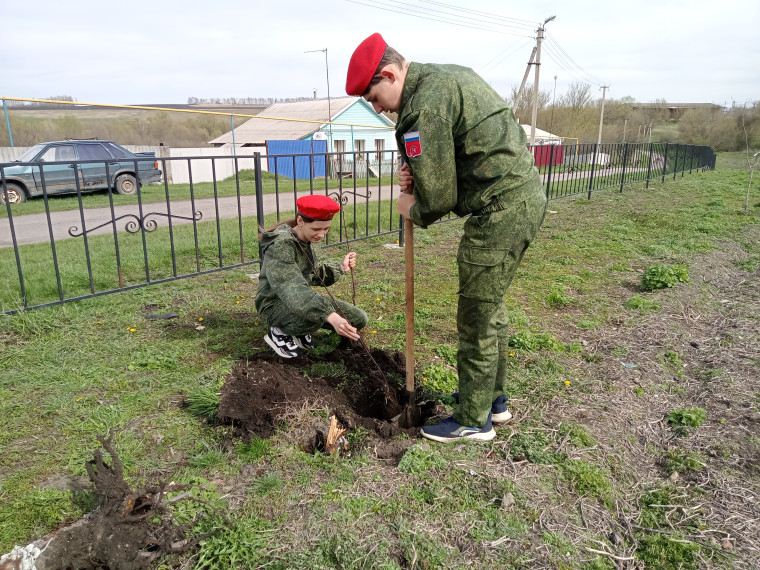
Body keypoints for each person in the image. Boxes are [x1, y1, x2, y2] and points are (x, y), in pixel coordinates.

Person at [346, 33, 547, 443]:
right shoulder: (443, 78)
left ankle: (474, 420)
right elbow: (460, 151)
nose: (377, 107)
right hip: (519, 199)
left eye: (373, 96)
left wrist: (409, 205)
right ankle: (493, 400)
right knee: (490, 308)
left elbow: (438, 200)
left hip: (501, 210)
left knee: (475, 316)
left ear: (389, 74)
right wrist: (417, 173)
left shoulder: (425, 106)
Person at [255, 194, 368, 358]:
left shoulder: (308, 239)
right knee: (317, 316)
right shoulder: (280, 245)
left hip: (299, 300)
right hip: (273, 304)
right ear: (300, 221)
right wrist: (331, 316)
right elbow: (291, 287)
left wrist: (341, 268)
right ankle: (279, 332)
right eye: (316, 229)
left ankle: (299, 332)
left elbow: (311, 273)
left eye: (326, 229)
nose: (321, 235)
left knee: (358, 318)